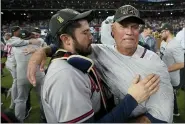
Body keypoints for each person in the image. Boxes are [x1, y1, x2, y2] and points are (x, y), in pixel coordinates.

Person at [27, 6, 173, 123]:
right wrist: (133, 99)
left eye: (134, 27)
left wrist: (44, 50)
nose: (129, 32)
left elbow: (164, 109)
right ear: (112, 31)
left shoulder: (154, 63)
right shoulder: (66, 75)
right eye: (123, 26)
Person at [12, 29, 45, 122]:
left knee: (20, 100)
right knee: (43, 98)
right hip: (37, 74)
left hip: (22, 76)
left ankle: (19, 120)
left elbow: (14, 62)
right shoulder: (38, 45)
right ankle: (45, 117)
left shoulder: (15, 47)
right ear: (30, 36)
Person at [159, 23, 184, 116]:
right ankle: (175, 112)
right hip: (164, 76)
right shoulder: (163, 42)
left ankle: (170, 116)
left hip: (171, 78)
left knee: (166, 99)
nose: (160, 34)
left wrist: (165, 69)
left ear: (167, 31)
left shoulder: (175, 44)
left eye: (162, 32)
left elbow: (181, 64)